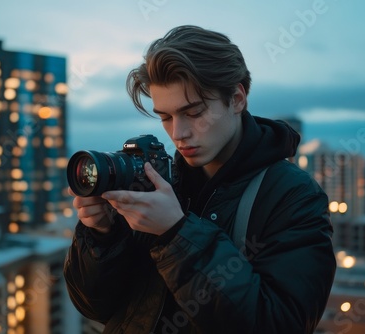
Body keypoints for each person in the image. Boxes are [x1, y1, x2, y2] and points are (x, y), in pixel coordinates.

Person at [63, 25, 336, 334]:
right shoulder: (156, 183)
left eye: (193, 113)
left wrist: (175, 234)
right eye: (165, 117)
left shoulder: (293, 196)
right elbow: (96, 308)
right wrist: (102, 236)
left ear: (236, 98)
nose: (178, 134)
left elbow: (280, 324)